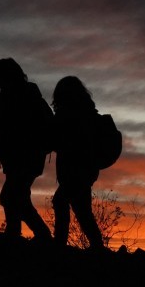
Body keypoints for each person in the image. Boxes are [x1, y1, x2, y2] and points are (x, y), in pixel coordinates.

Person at [0, 58, 53, 243]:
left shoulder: (29, 99)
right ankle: (19, 234)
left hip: (28, 159)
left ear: (10, 77)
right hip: (16, 160)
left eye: (0, 78)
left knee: (11, 196)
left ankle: (37, 235)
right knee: (18, 198)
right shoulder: (9, 102)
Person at [50, 75, 106, 252]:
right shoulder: (87, 112)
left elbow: (65, 141)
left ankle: (59, 244)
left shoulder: (73, 114)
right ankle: (97, 246)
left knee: (61, 201)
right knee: (81, 209)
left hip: (78, 169)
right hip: (84, 169)